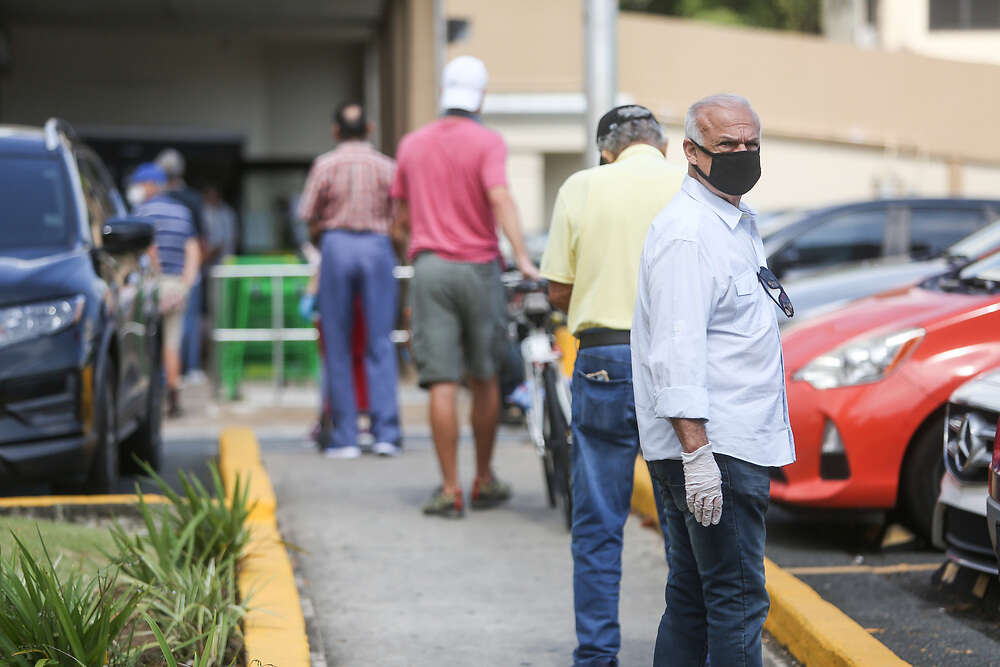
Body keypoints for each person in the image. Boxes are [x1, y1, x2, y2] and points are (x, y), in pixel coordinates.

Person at [631, 94, 796, 667]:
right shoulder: (689, 234)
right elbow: (675, 352)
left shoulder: (731, 222)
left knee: (696, 598)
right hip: (714, 447)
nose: (743, 154)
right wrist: (697, 456)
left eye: (751, 143)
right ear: (692, 152)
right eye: (727, 145)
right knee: (738, 602)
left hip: (720, 444)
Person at [540, 105, 684, 666]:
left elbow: (557, 290)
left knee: (598, 521)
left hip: (602, 359)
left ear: (607, 149)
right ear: (663, 145)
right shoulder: (690, 185)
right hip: (675, 362)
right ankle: (683, 650)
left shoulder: (583, 185)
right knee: (684, 520)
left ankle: (597, 655)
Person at [391, 55, 539, 517]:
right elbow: (499, 196)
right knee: (485, 377)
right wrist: (522, 256)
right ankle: (483, 478)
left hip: (430, 268)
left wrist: (418, 250)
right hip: (479, 269)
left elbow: (397, 219)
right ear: (481, 97)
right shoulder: (488, 142)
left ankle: (450, 488)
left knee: (441, 382)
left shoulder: (412, 144)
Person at [298, 101, 401, 458]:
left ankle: (345, 437)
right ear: (369, 128)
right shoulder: (387, 166)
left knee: (337, 344)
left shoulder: (325, 165)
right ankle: (386, 432)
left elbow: (308, 214)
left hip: (337, 244)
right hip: (377, 246)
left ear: (336, 130)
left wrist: (323, 239)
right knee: (380, 342)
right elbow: (398, 215)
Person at [129, 163, 200, 418]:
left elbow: (149, 250)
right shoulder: (182, 212)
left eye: (139, 183)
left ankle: (150, 397)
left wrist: (154, 279)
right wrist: (186, 283)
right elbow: (193, 250)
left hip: (153, 284)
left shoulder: (142, 212)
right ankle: (174, 396)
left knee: (146, 343)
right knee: (172, 343)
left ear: (150, 185)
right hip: (177, 285)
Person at [156, 148, 207, 383]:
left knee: (161, 332)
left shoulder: (154, 202)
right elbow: (199, 242)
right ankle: (189, 370)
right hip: (186, 273)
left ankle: (166, 377)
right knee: (185, 325)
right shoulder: (193, 200)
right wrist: (193, 273)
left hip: (160, 276)